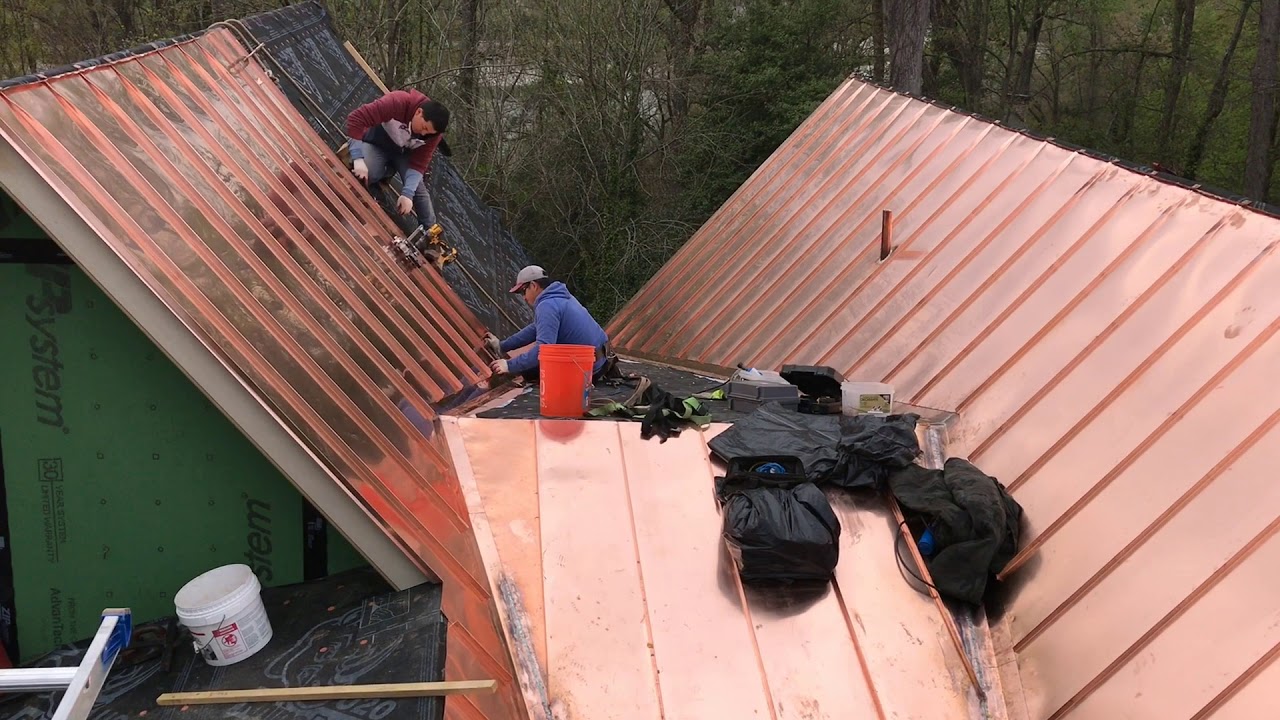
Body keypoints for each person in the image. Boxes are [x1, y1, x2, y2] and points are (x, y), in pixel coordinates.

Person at [345, 89, 449, 233]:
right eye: (424, 128)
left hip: (403, 155)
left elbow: (419, 165)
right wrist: (357, 158)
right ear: (418, 112)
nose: (424, 133)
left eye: (428, 133)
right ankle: (382, 172)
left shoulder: (432, 135)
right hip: (377, 144)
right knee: (368, 171)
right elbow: (355, 119)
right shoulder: (397, 102)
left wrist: (407, 194)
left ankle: (430, 234)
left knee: (418, 190)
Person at [487, 265, 611, 381]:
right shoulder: (561, 297)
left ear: (534, 285)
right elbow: (535, 329)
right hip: (602, 361)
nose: (523, 297)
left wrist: (508, 366)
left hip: (588, 370)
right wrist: (502, 346)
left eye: (523, 291)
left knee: (527, 371)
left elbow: (544, 349)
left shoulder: (547, 306)